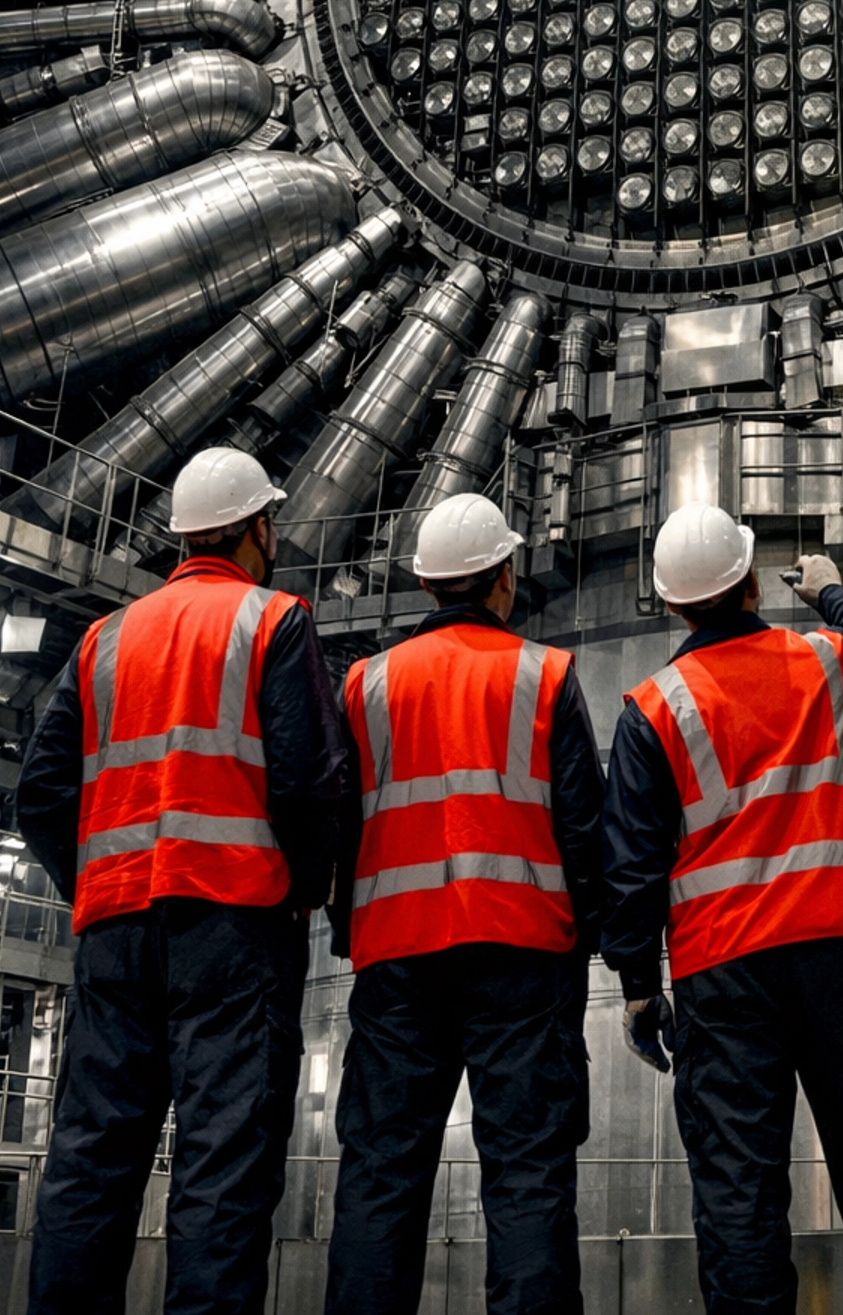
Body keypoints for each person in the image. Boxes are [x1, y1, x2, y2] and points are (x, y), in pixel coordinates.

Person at [603, 507, 843, 1315]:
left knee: (738, 1202)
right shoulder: (829, 660)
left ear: (671, 603)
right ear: (747, 580)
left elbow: (629, 868)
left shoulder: (654, 708)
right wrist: (834, 593)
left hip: (723, 977)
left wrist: (639, 984)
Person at [16, 445, 347, 1315]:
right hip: (232, 931)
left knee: (89, 1164)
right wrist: (306, 885)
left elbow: (41, 795)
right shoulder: (273, 620)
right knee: (221, 1171)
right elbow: (310, 781)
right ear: (254, 529)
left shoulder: (104, 639)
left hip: (115, 930)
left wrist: (95, 883)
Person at [324, 491, 605, 1315]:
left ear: (426, 583)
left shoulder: (364, 684)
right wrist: (589, 943)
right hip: (522, 951)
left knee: (379, 1171)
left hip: (398, 955)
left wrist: (352, 931)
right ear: (504, 578)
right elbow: (584, 823)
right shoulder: (543, 674)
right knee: (527, 1173)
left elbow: (339, 821)